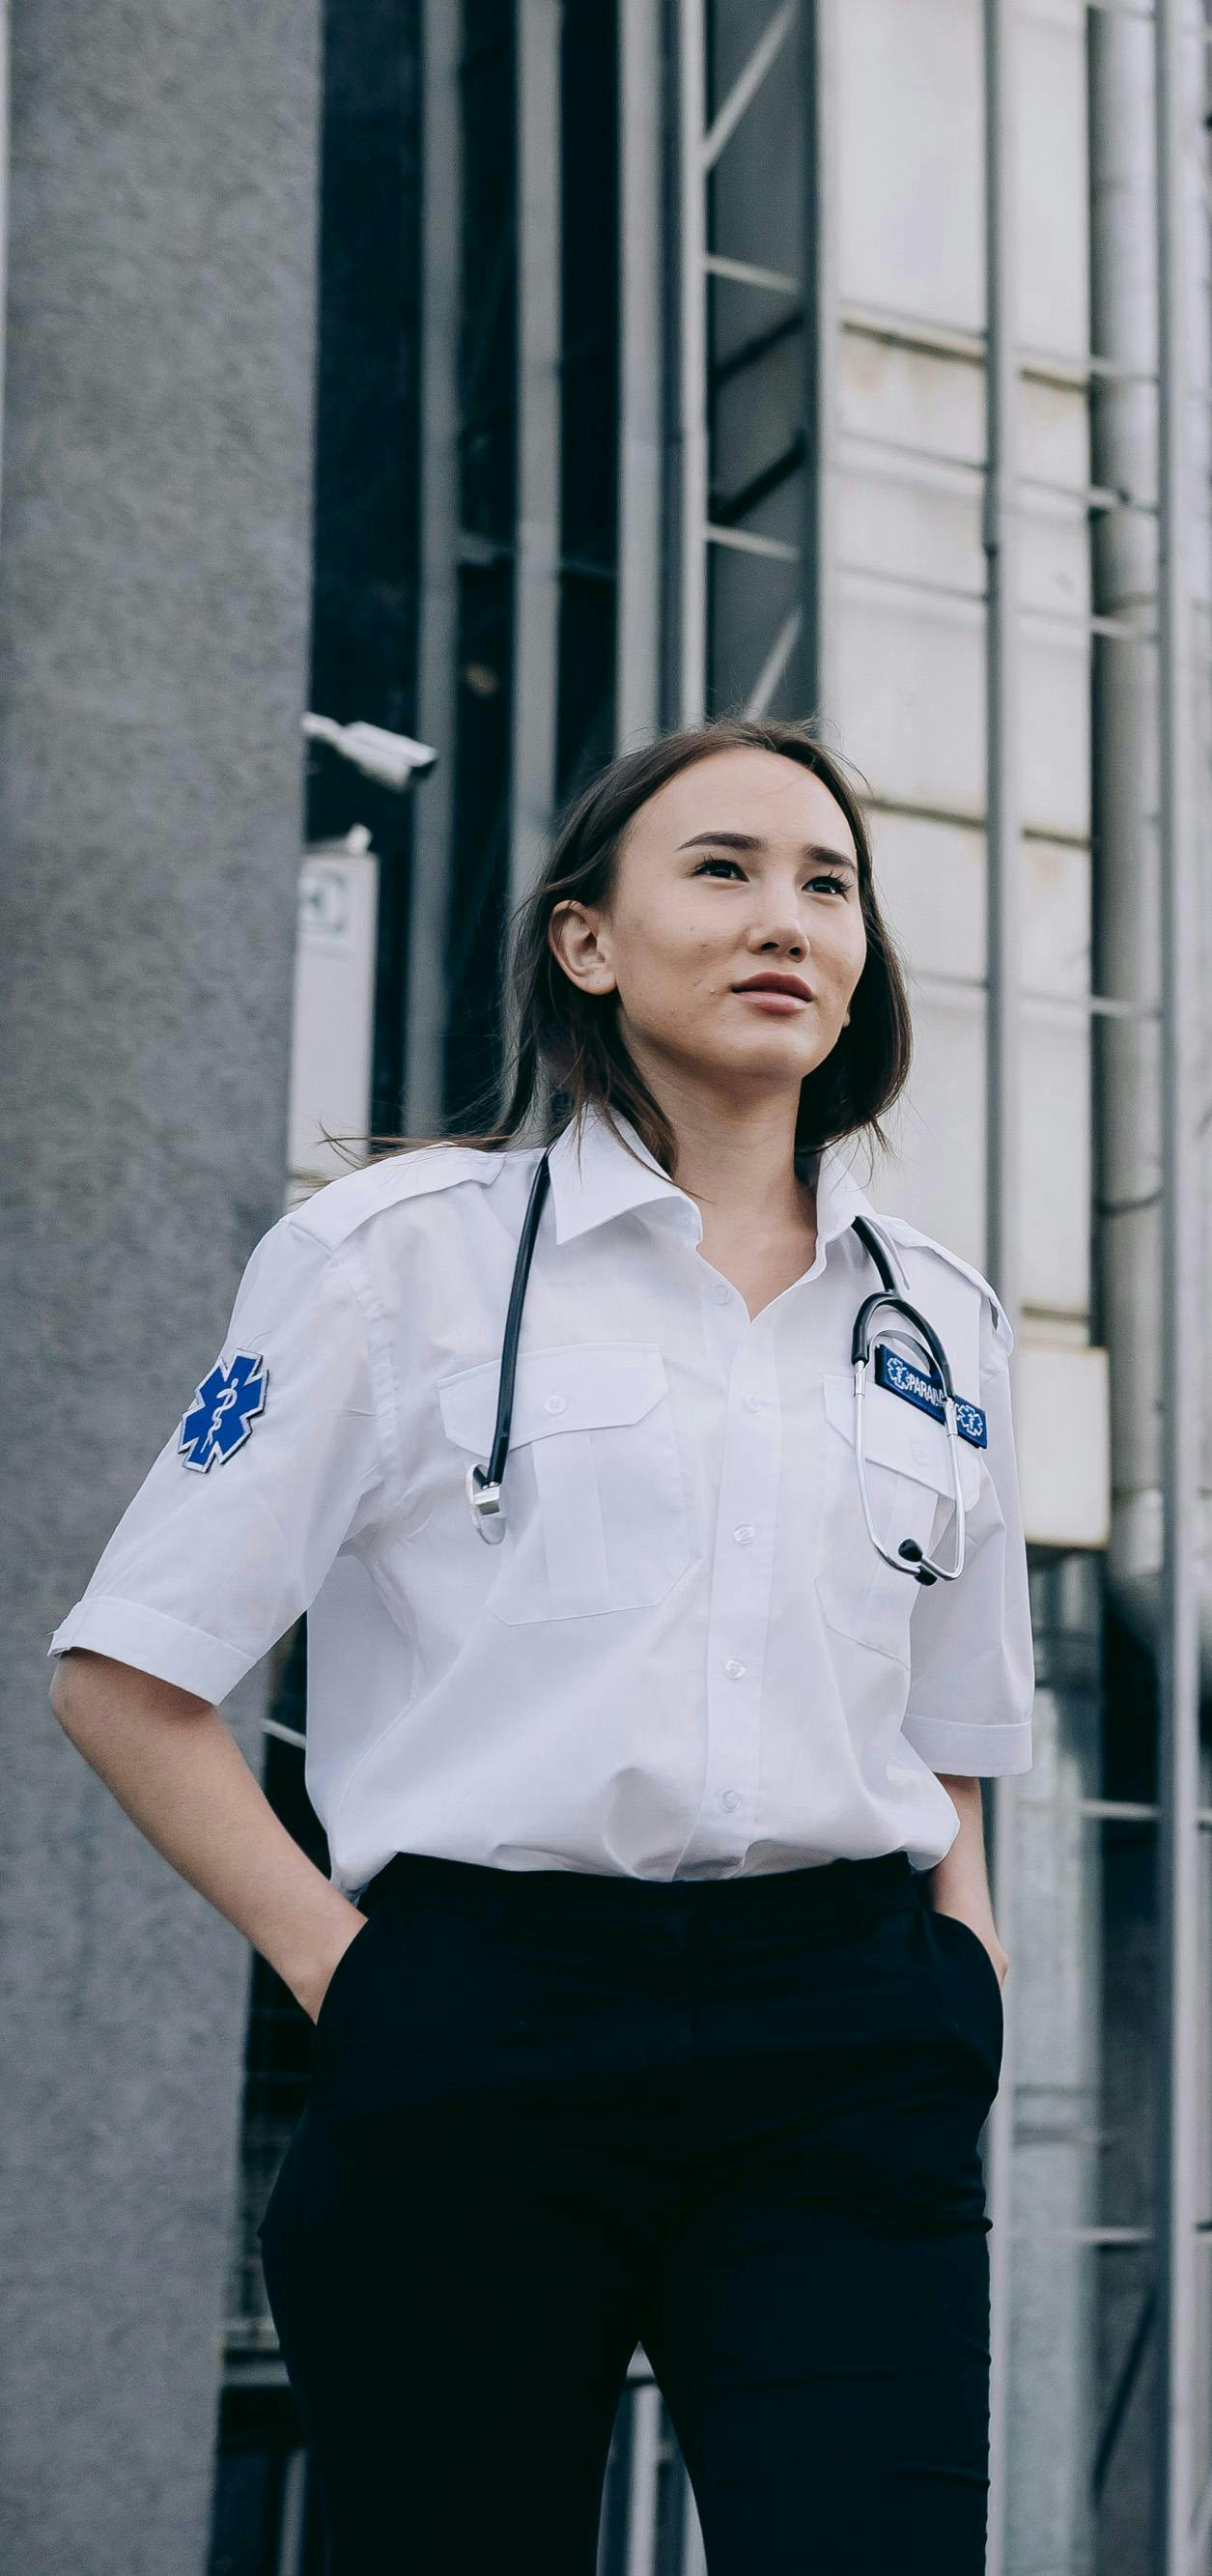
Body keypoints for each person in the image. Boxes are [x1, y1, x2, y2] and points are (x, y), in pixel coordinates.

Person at [46, 718, 1031, 2571]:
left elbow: (951, 1723)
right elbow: (127, 1674)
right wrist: (355, 1976)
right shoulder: (391, 1257)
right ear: (586, 939)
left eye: (830, 885)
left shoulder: (945, 1322)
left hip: (843, 2052)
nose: (787, 921)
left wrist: (958, 1979)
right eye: (723, 869)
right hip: (482, 2024)